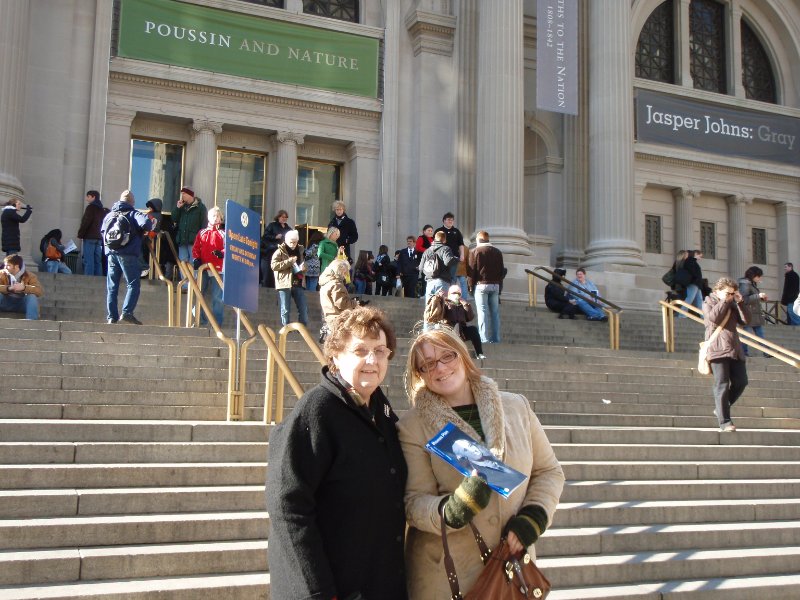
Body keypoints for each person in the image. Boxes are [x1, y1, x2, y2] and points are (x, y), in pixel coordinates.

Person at [397, 327, 564, 598]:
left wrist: (533, 517)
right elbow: (413, 502)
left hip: (512, 570)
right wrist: (453, 509)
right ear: (420, 375)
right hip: (450, 576)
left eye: (447, 356)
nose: (440, 368)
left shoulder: (517, 407)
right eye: (427, 364)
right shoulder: (412, 426)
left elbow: (549, 472)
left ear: (463, 356)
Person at [265, 307, 407, 600]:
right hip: (333, 589)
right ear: (336, 356)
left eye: (380, 351)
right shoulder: (316, 411)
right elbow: (288, 506)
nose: (372, 360)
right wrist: (319, 591)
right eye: (360, 350)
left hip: (377, 581)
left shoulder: (380, 410)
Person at [703, 277, 750, 432]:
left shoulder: (733, 303)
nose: (730, 295)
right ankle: (725, 422)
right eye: (727, 292)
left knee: (741, 382)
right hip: (717, 349)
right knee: (721, 384)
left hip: (734, 349)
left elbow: (746, 320)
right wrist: (723, 301)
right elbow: (713, 319)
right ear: (718, 291)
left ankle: (722, 406)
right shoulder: (709, 301)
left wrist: (740, 302)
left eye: (732, 293)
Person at [102, 189, 153, 325]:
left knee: (112, 287)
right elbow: (147, 224)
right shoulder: (134, 213)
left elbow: (102, 231)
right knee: (133, 284)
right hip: (128, 254)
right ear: (132, 202)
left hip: (112, 254)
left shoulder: (110, 215)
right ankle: (127, 312)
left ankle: (111, 317)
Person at [468, 230, 505, 343]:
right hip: (495, 285)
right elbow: (501, 271)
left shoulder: (475, 251)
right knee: (494, 313)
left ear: (478, 240)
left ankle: (483, 338)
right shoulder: (498, 252)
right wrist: (500, 287)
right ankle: (496, 338)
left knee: (482, 312)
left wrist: (470, 286)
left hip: (481, 285)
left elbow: (471, 271)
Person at [192, 206, 225, 327]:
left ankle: (217, 324)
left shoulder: (223, 234)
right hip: (203, 269)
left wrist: (222, 253)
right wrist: (196, 259)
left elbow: (228, 249)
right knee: (198, 295)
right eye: (213, 216)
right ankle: (200, 321)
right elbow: (196, 248)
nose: (215, 218)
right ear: (208, 218)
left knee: (218, 297)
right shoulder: (202, 232)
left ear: (221, 219)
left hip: (218, 269)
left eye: (218, 216)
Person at [271, 229, 308, 327]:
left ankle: (303, 329)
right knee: (285, 309)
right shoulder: (280, 251)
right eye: (291, 242)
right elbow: (274, 266)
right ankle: (285, 328)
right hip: (284, 283)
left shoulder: (300, 250)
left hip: (298, 282)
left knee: (303, 307)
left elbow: (303, 265)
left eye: (295, 242)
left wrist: (304, 268)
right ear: (286, 241)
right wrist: (289, 262)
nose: (293, 244)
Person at [438, 284, 486, 359]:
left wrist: (466, 305)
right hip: (448, 329)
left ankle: (479, 353)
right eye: (454, 293)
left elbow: (470, 318)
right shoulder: (445, 303)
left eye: (458, 293)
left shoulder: (462, 304)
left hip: (461, 330)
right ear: (450, 294)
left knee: (473, 330)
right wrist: (440, 300)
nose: (456, 295)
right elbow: (440, 314)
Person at [419, 230, 458, 315]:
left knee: (429, 310)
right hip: (442, 282)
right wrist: (456, 259)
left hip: (429, 282)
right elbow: (448, 262)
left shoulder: (427, 251)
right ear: (444, 240)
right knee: (441, 310)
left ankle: (427, 328)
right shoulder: (445, 249)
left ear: (435, 239)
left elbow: (421, 267)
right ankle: (439, 328)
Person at [319, 259, 360, 331]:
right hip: (338, 320)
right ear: (340, 270)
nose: (347, 275)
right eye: (345, 272)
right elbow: (341, 303)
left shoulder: (326, 283)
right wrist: (354, 303)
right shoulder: (336, 284)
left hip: (329, 319)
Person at [0, 254, 43, 319]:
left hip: (21, 305)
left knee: (32, 297)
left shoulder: (30, 276)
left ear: (16, 266)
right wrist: (8, 288)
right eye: (5, 265)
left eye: (8, 265)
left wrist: (24, 288)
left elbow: (39, 291)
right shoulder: (1, 274)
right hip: (5, 303)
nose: (5, 267)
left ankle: (31, 322)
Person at [738, 266, 768, 357]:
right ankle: (743, 352)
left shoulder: (751, 284)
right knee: (747, 334)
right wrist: (758, 296)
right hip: (748, 313)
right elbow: (744, 299)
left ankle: (766, 352)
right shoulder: (745, 284)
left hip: (754, 314)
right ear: (754, 276)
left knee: (759, 333)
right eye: (759, 276)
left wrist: (761, 298)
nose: (760, 278)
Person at [174, 187, 206, 268]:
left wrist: (202, 239)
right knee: (183, 262)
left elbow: (204, 224)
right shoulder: (182, 206)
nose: (182, 196)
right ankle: (185, 281)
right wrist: (177, 208)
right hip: (182, 240)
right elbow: (174, 218)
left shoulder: (200, 207)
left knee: (193, 262)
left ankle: (193, 280)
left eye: (184, 194)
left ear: (190, 194)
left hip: (194, 240)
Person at [260, 210, 291, 288]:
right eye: (282, 217)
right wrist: (275, 237)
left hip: (282, 254)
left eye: (286, 217)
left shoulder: (288, 228)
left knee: (277, 276)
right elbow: (265, 237)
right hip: (270, 253)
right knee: (267, 275)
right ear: (278, 217)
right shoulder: (272, 225)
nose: (284, 218)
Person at [77, 190, 106, 276]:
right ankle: (98, 278)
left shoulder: (90, 208)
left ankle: (88, 278)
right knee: (97, 260)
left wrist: (80, 234)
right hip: (99, 238)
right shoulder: (102, 210)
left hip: (90, 237)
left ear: (93, 197)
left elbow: (86, 222)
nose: (86, 199)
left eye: (88, 196)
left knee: (89, 259)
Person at [434, 212, 465, 283]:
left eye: (452, 220)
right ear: (444, 220)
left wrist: (462, 255)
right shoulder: (439, 231)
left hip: (454, 258)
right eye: (448, 219)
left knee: (452, 277)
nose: (450, 221)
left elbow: (461, 244)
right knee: (441, 276)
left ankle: (451, 292)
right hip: (441, 258)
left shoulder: (456, 231)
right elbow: (434, 244)